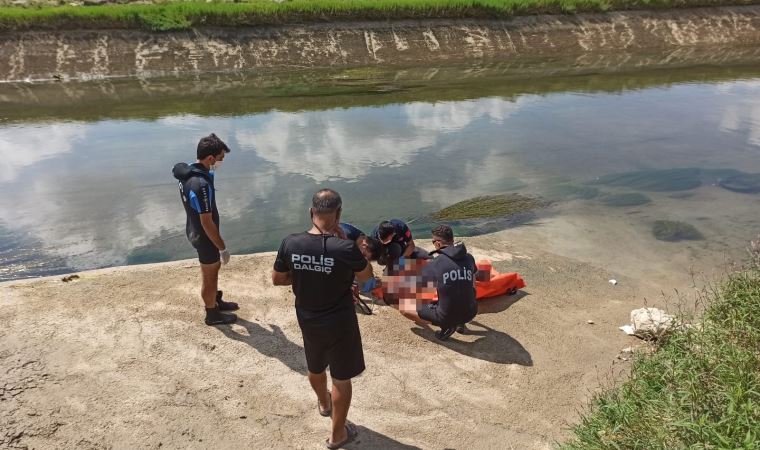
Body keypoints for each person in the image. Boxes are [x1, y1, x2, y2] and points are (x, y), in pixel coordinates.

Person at [272, 189, 373, 449]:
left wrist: (307, 273)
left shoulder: (290, 243)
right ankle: (337, 434)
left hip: (307, 318)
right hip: (340, 321)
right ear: (338, 214)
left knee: (315, 366)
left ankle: (324, 403)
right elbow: (367, 279)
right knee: (341, 378)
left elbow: (278, 279)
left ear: (311, 212)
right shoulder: (346, 248)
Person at [173, 133, 238, 326]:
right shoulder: (200, 184)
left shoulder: (189, 173)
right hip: (204, 236)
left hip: (193, 229)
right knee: (209, 276)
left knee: (214, 269)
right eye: (220, 158)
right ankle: (212, 314)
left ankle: (215, 301)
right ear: (210, 158)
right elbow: (207, 222)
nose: (220, 162)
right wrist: (222, 247)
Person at [396, 225, 477, 341]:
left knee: (404, 308)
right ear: (452, 240)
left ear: (438, 243)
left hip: (446, 316)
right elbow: (473, 281)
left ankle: (447, 325)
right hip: (471, 312)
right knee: (462, 285)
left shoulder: (437, 263)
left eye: (433, 241)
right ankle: (461, 322)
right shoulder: (469, 258)